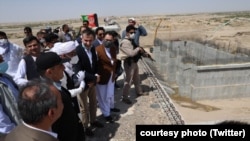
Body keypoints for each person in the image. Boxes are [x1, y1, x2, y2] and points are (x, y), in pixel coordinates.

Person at [36, 52, 85, 141]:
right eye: (60, 66)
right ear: (49, 72)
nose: (64, 67)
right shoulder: (46, 95)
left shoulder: (55, 85)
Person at [74, 28, 103, 136]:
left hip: (92, 83)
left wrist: (96, 76)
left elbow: (95, 64)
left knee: (93, 104)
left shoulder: (92, 48)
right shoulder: (76, 51)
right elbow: (78, 70)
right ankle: (85, 126)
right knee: (84, 107)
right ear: (82, 38)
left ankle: (93, 120)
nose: (88, 43)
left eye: (90, 40)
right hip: (83, 84)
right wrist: (94, 78)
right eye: (86, 40)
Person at [120, 25, 149, 104]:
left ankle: (139, 92)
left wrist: (143, 53)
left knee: (137, 78)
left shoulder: (130, 41)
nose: (133, 34)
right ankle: (125, 97)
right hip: (129, 63)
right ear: (127, 33)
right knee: (128, 81)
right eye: (131, 32)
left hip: (134, 62)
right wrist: (138, 49)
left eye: (134, 32)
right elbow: (131, 53)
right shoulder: (125, 42)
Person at [95, 31, 120, 123]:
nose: (108, 42)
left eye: (110, 40)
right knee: (102, 96)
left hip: (111, 76)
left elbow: (114, 61)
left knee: (110, 94)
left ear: (113, 40)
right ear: (103, 39)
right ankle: (106, 114)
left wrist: (115, 72)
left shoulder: (113, 48)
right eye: (106, 40)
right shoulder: (97, 49)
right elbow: (95, 65)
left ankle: (110, 107)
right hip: (102, 77)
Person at [0, 55, 22, 137]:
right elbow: (1, 120)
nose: (3, 61)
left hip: (22, 126)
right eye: (0, 60)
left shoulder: (6, 77)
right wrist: (13, 133)